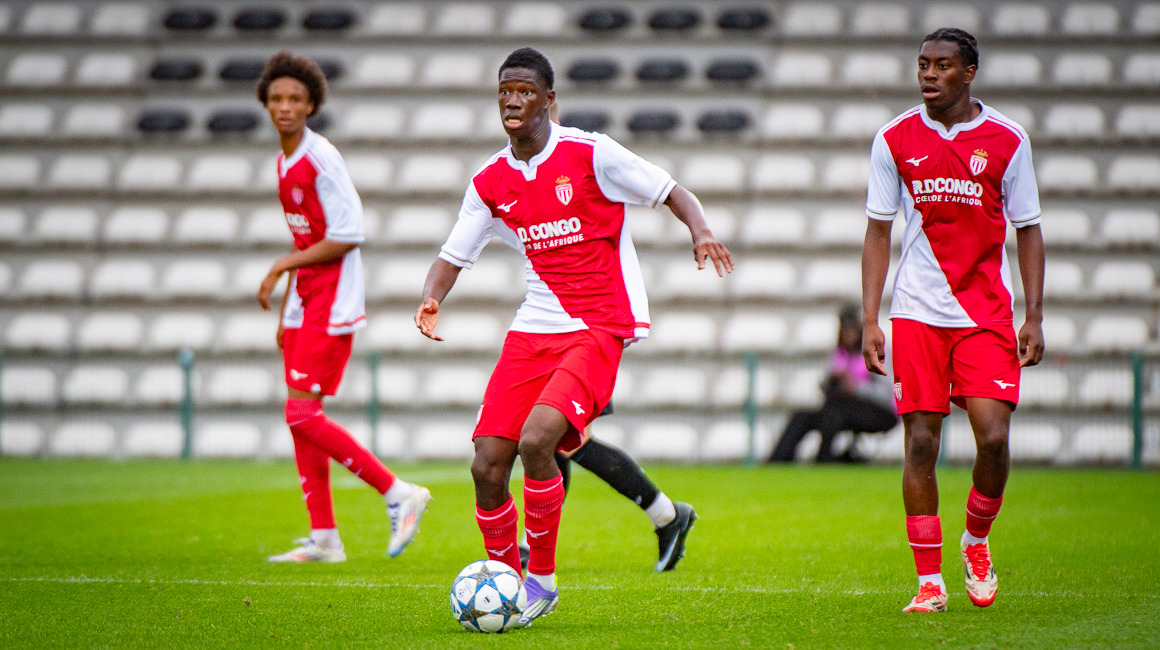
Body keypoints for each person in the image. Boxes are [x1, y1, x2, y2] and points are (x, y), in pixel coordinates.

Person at [415, 47, 733, 626]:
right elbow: (452, 253)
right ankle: (505, 580)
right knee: (488, 463)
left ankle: (540, 582)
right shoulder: (490, 181)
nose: (514, 100)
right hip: (533, 327)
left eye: (526, 91)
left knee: (540, 440)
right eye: (505, 90)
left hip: (598, 326)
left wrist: (701, 231)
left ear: (549, 100)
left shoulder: (592, 153)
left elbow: (670, 191)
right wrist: (433, 297)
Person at [861, 29, 1045, 613]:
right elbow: (878, 231)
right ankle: (930, 583)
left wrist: (1033, 315)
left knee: (992, 437)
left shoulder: (1009, 140)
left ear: (969, 73)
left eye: (942, 65)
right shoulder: (893, 139)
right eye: (922, 64)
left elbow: (1029, 230)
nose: (929, 75)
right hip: (916, 311)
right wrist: (871, 318)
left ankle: (976, 539)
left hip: (985, 311)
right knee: (920, 441)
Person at [255, 51, 431, 563]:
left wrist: (280, 268)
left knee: (302, 413)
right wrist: (290, 306)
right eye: (277, 98)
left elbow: (348, 234)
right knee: (300, 415)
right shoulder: (284, 161)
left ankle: (399, 492)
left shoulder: (320, 157)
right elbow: (305, 234)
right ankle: (325, 538)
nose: (285, 107)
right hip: (307, 301)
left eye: (295, 98)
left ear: (312, 103)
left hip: (333, 300)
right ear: (265, 103)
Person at [518, 401, 698, 573]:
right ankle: (534, 541)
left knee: (571, 441)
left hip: (572, 369)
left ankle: (666, 515)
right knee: (548, 439)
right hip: (547, 368)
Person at [768, 304, 899, 463]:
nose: (848, 335)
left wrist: (856, 387)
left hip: (878, 411)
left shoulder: (877, 351)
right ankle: (777, 462)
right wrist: (831, 383)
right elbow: (827, 387)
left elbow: (885, 393)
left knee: (836, 413)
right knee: (801, 417)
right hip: (840, 408)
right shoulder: (840, 353)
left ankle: (823, 461)